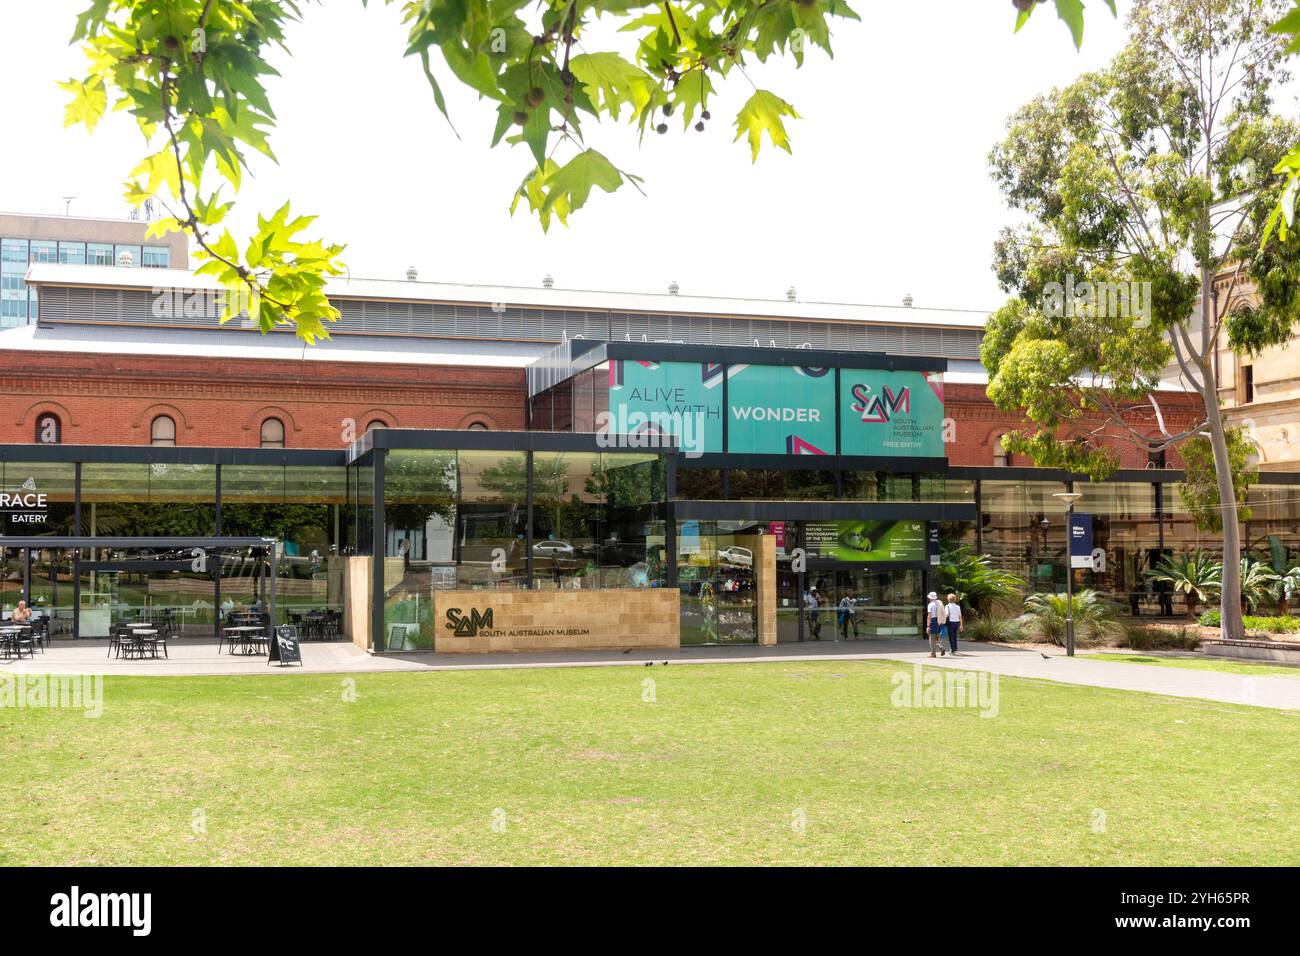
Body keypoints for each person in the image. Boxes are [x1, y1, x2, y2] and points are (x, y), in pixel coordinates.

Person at [925, 591, 947, 657]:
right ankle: (941, 648)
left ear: (930, 598)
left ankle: (933, 653)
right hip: (939, 621)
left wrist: (928, 625)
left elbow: (929, 616)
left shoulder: (930, 605)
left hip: (933, 621)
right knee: (937, 637)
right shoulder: (939, 603)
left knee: (932, 638)